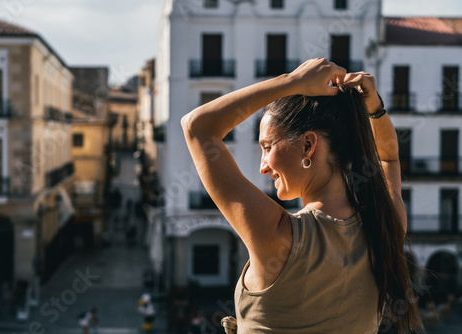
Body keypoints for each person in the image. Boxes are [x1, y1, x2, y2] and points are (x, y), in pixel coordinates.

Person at [181, 58, 424, 333]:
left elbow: (197, 127)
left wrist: (291, 81)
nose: (263, 167)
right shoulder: (385, 226)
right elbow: (389, 158)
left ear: (308, 145)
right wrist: (375, 110)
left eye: (267, 146)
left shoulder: (278, 235)